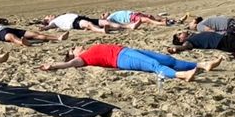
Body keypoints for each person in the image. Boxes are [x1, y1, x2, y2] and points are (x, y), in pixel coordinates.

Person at [39, 43, 222, 82]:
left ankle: (200, 65)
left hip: (128, 51)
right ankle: (181, 75)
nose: (76, 47)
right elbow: (69, 65)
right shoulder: (82, 58)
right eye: (73, 49)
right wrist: (53, 66)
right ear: (74, 55)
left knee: (168, 59)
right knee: (153, 66)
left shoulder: (87, 50)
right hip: (122, 58)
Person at [0, 20, 68, 47]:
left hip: (6, 28)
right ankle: (22, 43)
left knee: (33, 33)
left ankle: (57, 38)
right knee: (11, 37)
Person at [40, 13, 134, 34]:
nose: (50, 15)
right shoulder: (54, 22)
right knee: (88, 24)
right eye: (48, 16)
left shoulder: (60, 16)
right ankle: (101, 31)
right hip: (74, 22)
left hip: (79, 17)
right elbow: (50, 26)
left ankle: (128, 26)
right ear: (48, 20)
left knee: (106, 22)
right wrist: (44, 28)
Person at [101, 10, 169, 27]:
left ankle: (158, 20)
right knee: (147, 19)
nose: (105, 13)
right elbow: (106, 22)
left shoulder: (113, 14)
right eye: (103, 14)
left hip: (133, 14)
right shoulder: (110, 18)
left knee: (150, 16)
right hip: (131, 18)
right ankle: (161, 23)